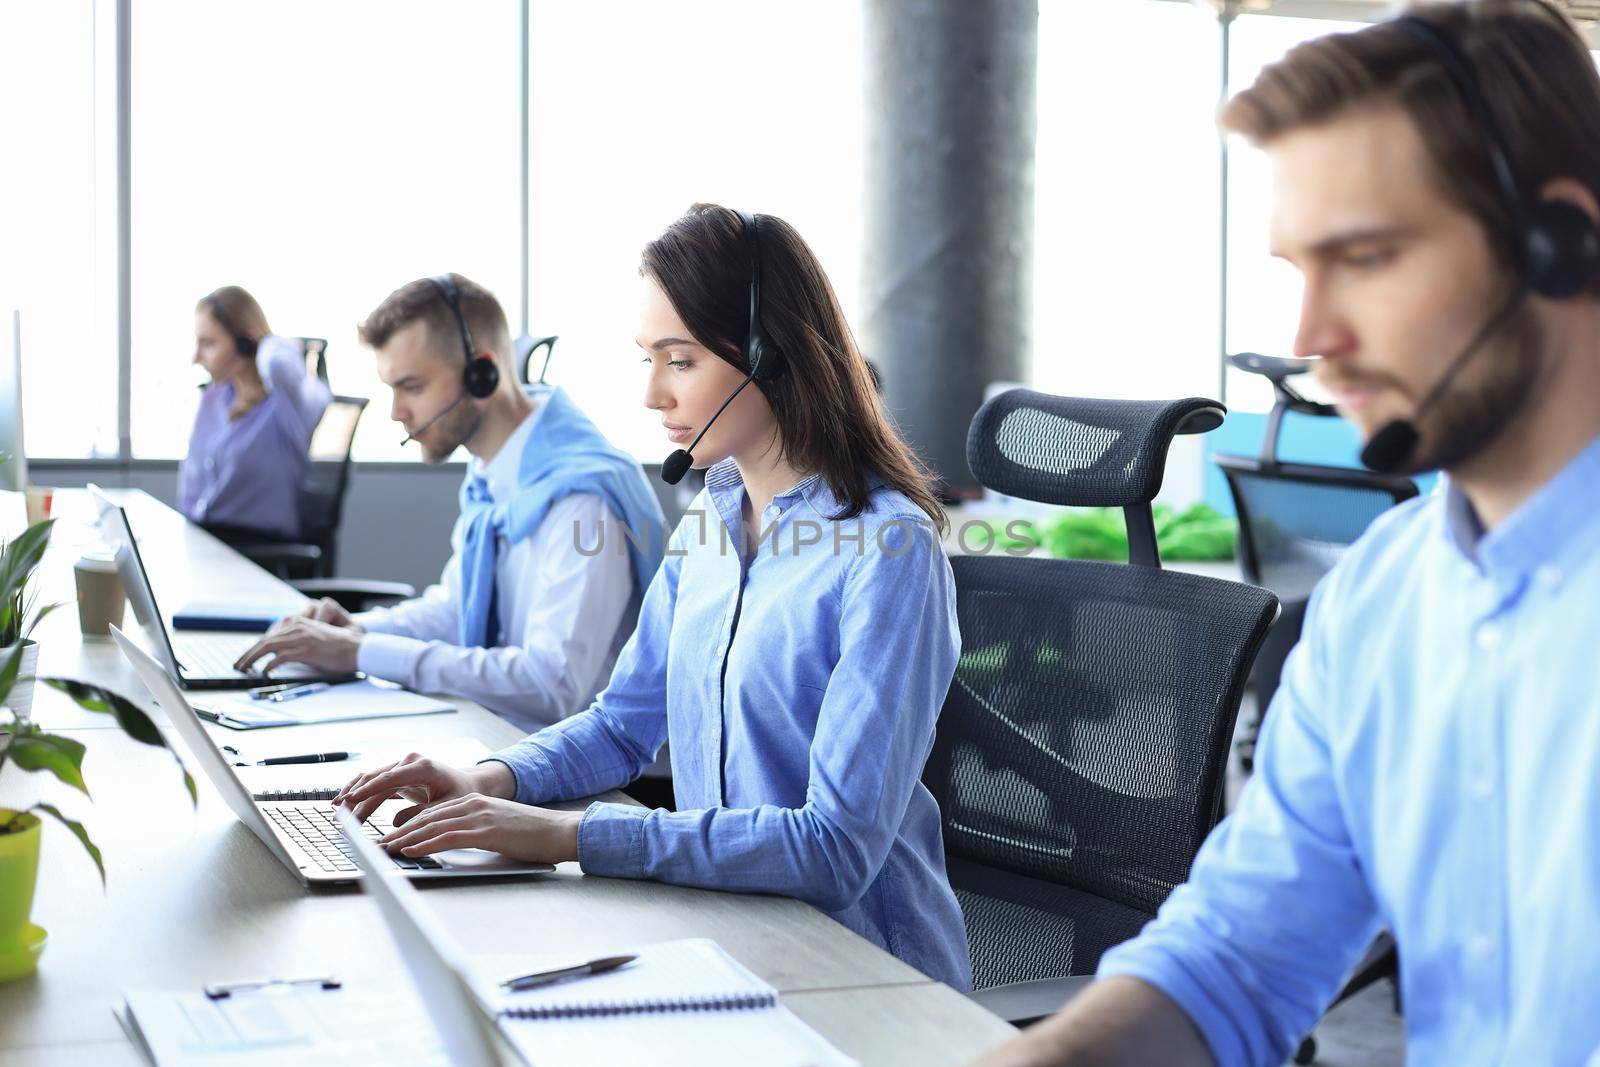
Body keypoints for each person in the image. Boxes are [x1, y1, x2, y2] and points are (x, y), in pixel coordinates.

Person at [971, 2, 1600, 1065]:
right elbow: (1236, 959)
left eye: (1364, 257)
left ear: (1558, 244)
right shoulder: (1382, 603)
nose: (1311, 339)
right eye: (1295, 272)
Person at [332, 205, 973, 990]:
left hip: (865, 979)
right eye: (648, 357)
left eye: (679, 360)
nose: (650, 395)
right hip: (723, 939)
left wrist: (566, 836)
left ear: (770, 356)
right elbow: (621, 723)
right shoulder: (711, 518)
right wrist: (491, 779)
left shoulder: (889, 550)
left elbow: (832, 848)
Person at [235, 274, 666, 744]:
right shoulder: (493, 476)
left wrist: (361, 651)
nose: (396, 411)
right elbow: (457, 611)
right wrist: (354, 630)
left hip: (587, 780)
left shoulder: (582, 500)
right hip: (502, 742)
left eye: (412, 387)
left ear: (482, 373)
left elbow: (550, 685)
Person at [179, 285, 332, 543]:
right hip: (205, 541)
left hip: (259, 552)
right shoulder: (215, 397)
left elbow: (278, 365)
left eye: (208, 343)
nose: (195, 358)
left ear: (245, 343)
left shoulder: (288, 404)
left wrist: (263, 341)